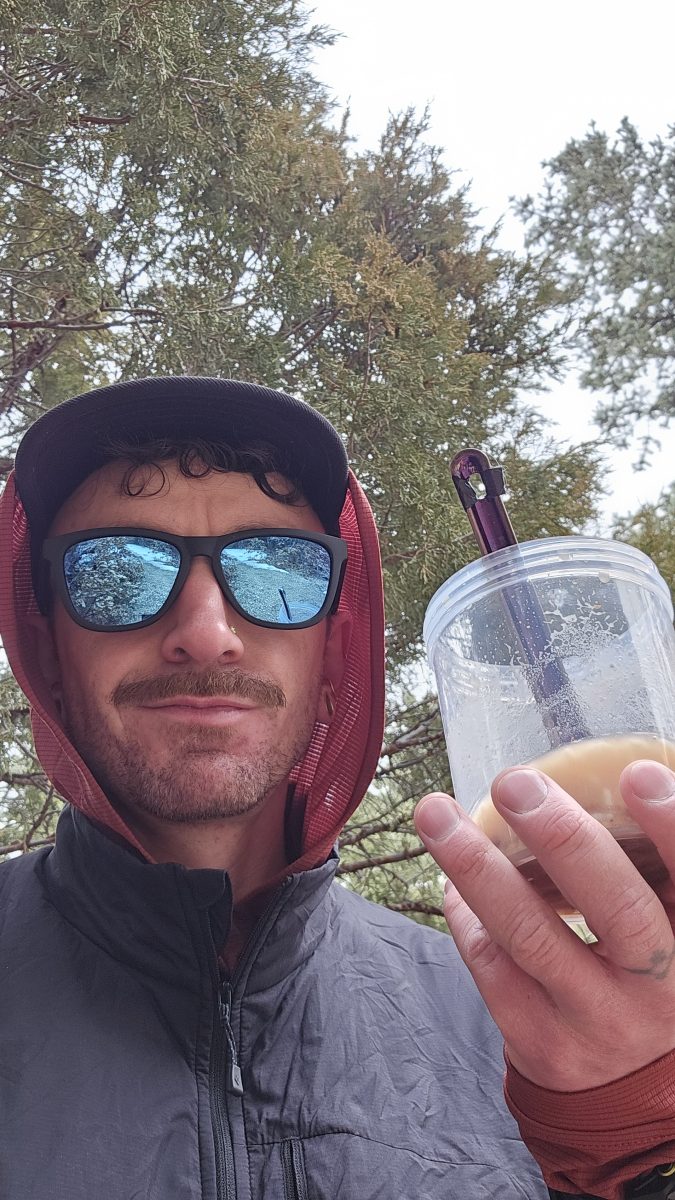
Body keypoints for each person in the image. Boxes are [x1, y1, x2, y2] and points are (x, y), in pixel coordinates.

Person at [0, 376, 674, 1200]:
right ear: (49, 655)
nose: (206, 635)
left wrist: (634, 1147)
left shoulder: (519, 1025)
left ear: (330, 663)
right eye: (116, 572)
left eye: (276, 571)